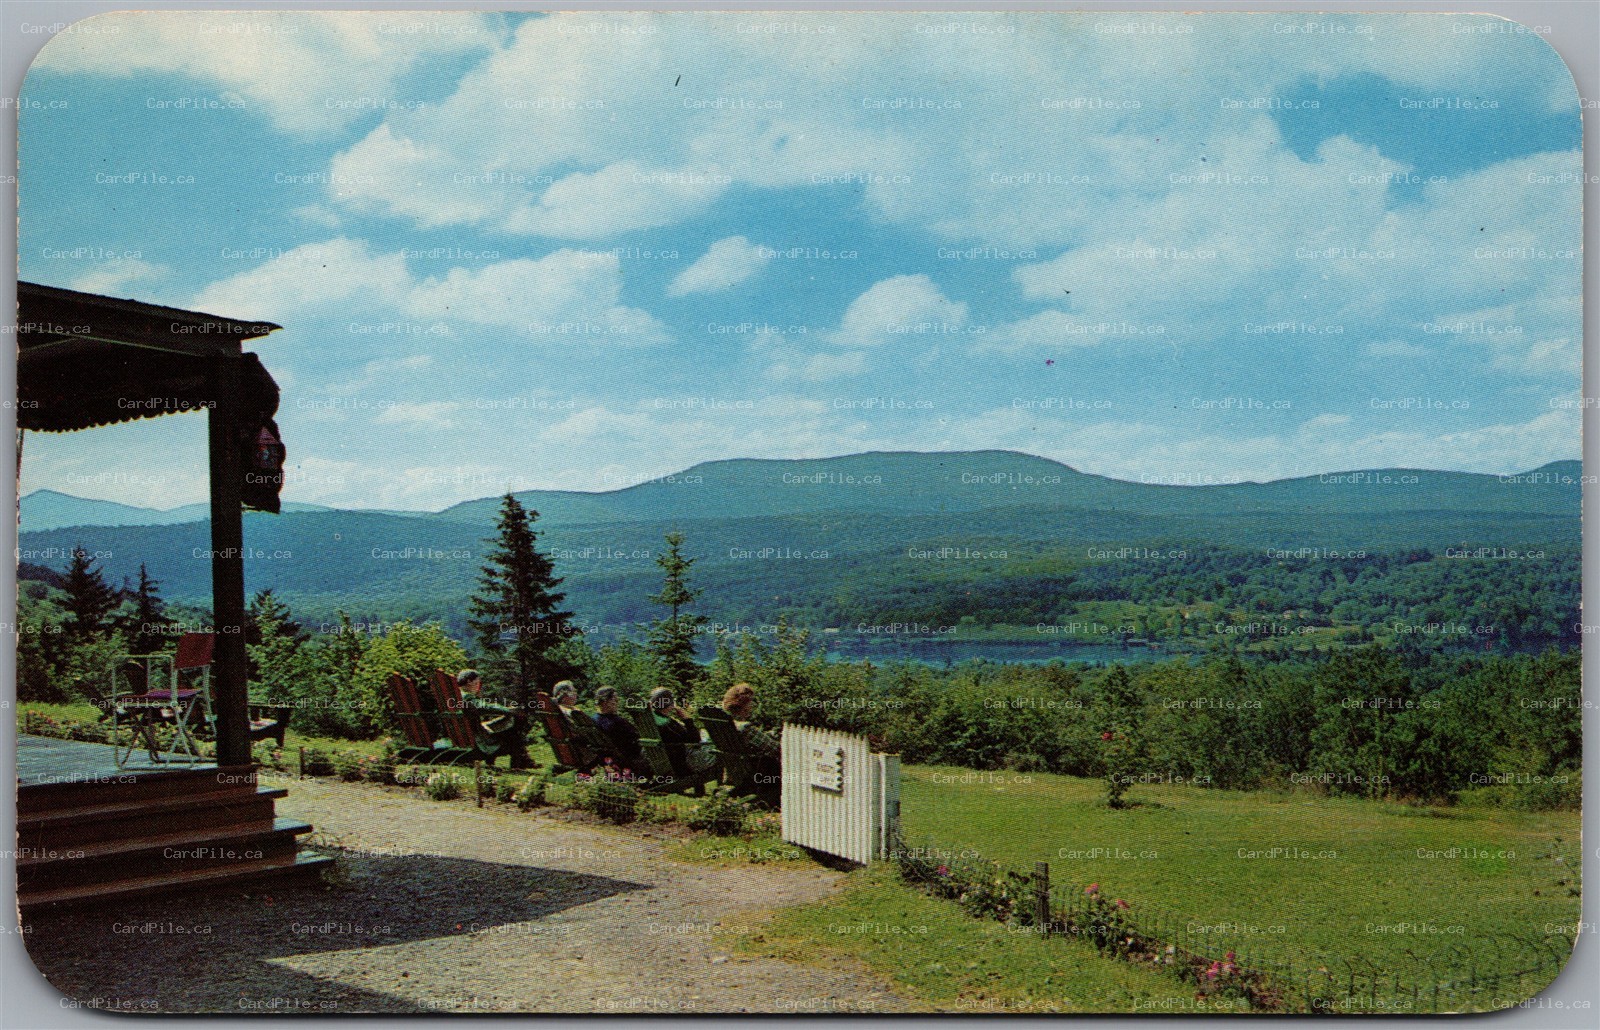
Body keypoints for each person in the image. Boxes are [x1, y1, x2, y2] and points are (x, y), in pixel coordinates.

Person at [457, 668, 535, 771]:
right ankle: (519, 765)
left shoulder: (456, 696)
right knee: (514, 737)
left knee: (507, 729)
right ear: (469, 681)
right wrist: (508, 710)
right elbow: (484, 707)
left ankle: (522, 760)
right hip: (478, 742)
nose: (479, 686)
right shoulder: (467, 697)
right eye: (477, 682)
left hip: (465, 737)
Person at [721, 682, 781, 802]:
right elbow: (776, 749)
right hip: (755, 770)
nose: (752, 706)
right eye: (750, 702)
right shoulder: (745, 728)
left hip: (733, 769)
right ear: (743, 704)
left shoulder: (725, 725)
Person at [649, 686, 707, 778]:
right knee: (718, 753)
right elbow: (695, 741)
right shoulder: (667, 724)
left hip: (662, 764)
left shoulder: (651, 720)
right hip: (682, 765)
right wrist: (687, 719)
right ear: (670, 704)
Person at [592, 685, 645, 773]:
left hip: (609, 760)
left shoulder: (594, 719)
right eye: (615, 699)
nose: (617, 702)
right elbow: (637, 737)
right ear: (605, 701)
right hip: (629, 760)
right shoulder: (616, 722)